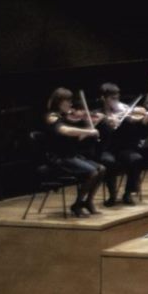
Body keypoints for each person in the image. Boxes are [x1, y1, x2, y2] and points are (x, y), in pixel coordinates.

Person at [42, 87, 107, 216]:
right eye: (68, 101)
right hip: (59, 158)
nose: (71, 105)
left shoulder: (66, 117)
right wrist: (88, 131)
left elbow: (78, 137)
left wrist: (93, 125)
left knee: (102, 169)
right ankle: (77, 204)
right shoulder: (51, 117)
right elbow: (65, 131)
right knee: (92, 172)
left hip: (72, 155)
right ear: (59, 101)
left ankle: (88, 201)